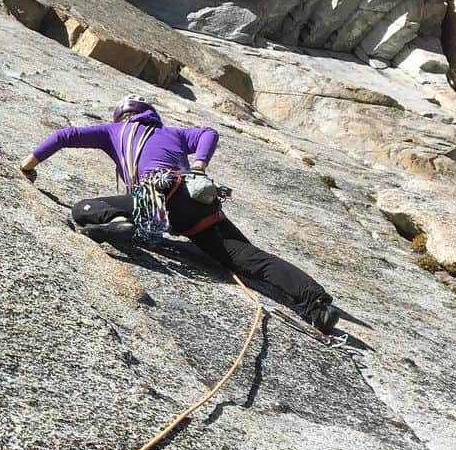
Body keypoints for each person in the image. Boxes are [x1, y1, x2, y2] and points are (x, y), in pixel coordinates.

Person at [19, 95, 338, 334]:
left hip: (159, 198)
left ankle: (120, 223)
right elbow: (208, 133)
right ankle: (317, 305)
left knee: (84, 210)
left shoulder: (116, 130)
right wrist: (198, 165)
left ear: (123, 115)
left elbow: (65, 136)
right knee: (251, 258)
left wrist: (28, 166)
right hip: (198, 204)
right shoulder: (172, 133)